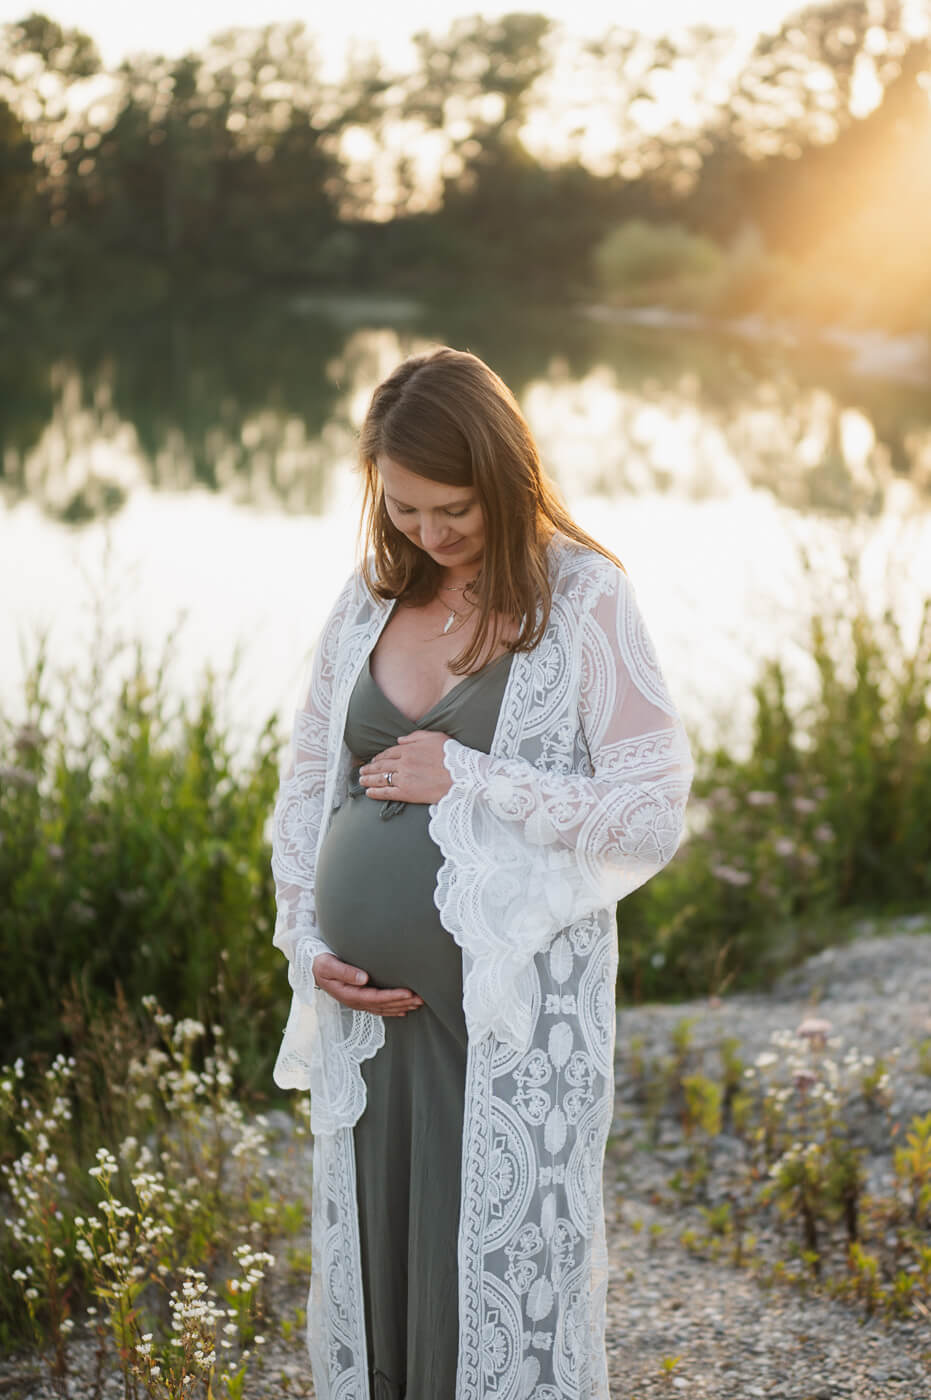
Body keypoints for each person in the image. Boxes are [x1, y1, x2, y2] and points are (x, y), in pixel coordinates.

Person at [270, 345, 695, 1400]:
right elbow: (304, 789)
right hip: (370, 1025)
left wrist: (469, 773)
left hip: (501, 1031)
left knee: (486, 1292)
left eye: (450, 508)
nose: (429, 533)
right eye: (405, 508)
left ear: (506, 474)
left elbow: (649, 811)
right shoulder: (371, 599)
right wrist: (308, 941)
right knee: (378, 1285)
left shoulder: (586, 599)